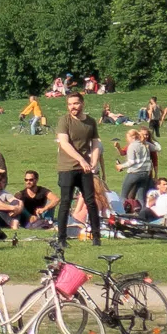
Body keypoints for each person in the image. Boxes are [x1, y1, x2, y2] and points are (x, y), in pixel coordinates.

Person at [55, 93, 104, 248]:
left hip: (85, 169)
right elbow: (64, 143)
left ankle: (96, 237)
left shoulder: (90, 122)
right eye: (70, 104)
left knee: (91, 201)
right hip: (67, 167)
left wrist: (94, 161)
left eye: (75, 103)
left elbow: (95, 143)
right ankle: (61, 239)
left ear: (82, 103)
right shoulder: (64, 120)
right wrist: (81, 160)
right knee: (66, 202)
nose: (73, 107)